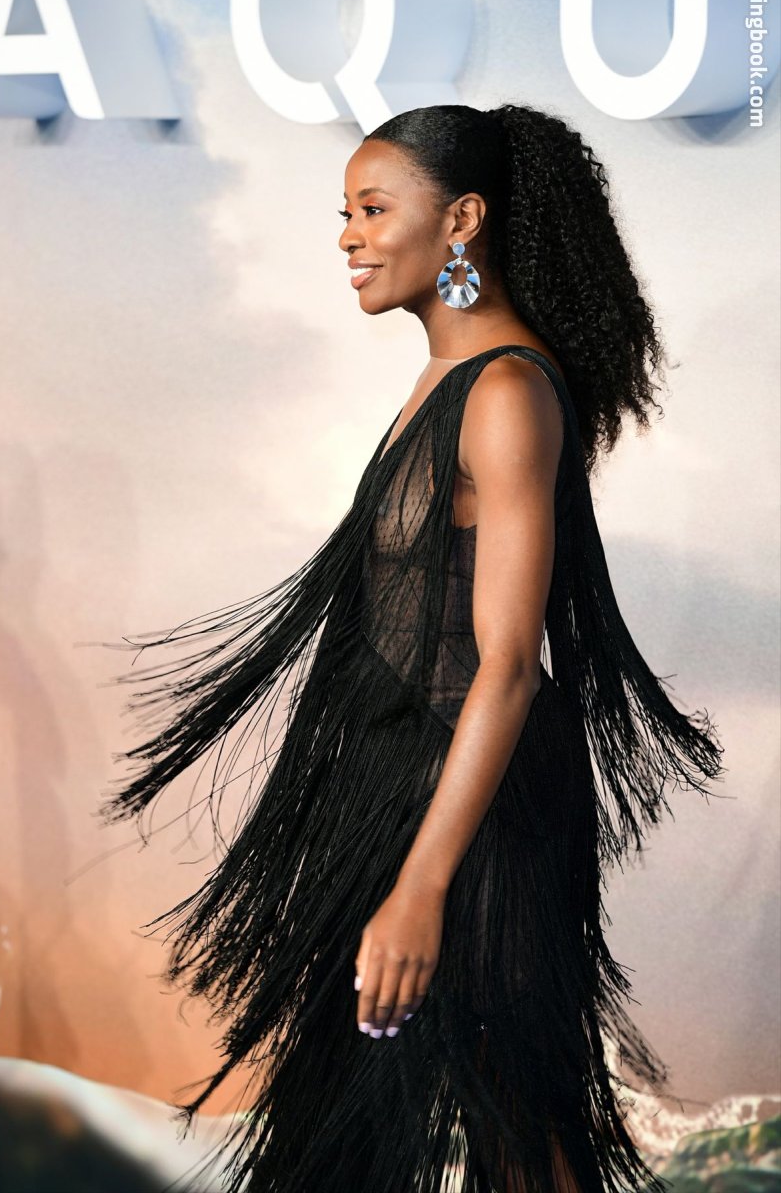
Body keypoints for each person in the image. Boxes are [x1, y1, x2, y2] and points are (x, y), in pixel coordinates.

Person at [98, 103, 725, 1193]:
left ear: (462, 220)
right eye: (345, 211)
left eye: (373, 209)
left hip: (475, 822)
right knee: (363, 1136)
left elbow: (507, 665)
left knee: (523, 1130)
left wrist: (421, 886)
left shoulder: (505, 393)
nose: (348, 236)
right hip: (402, 791)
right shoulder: (449, 377)